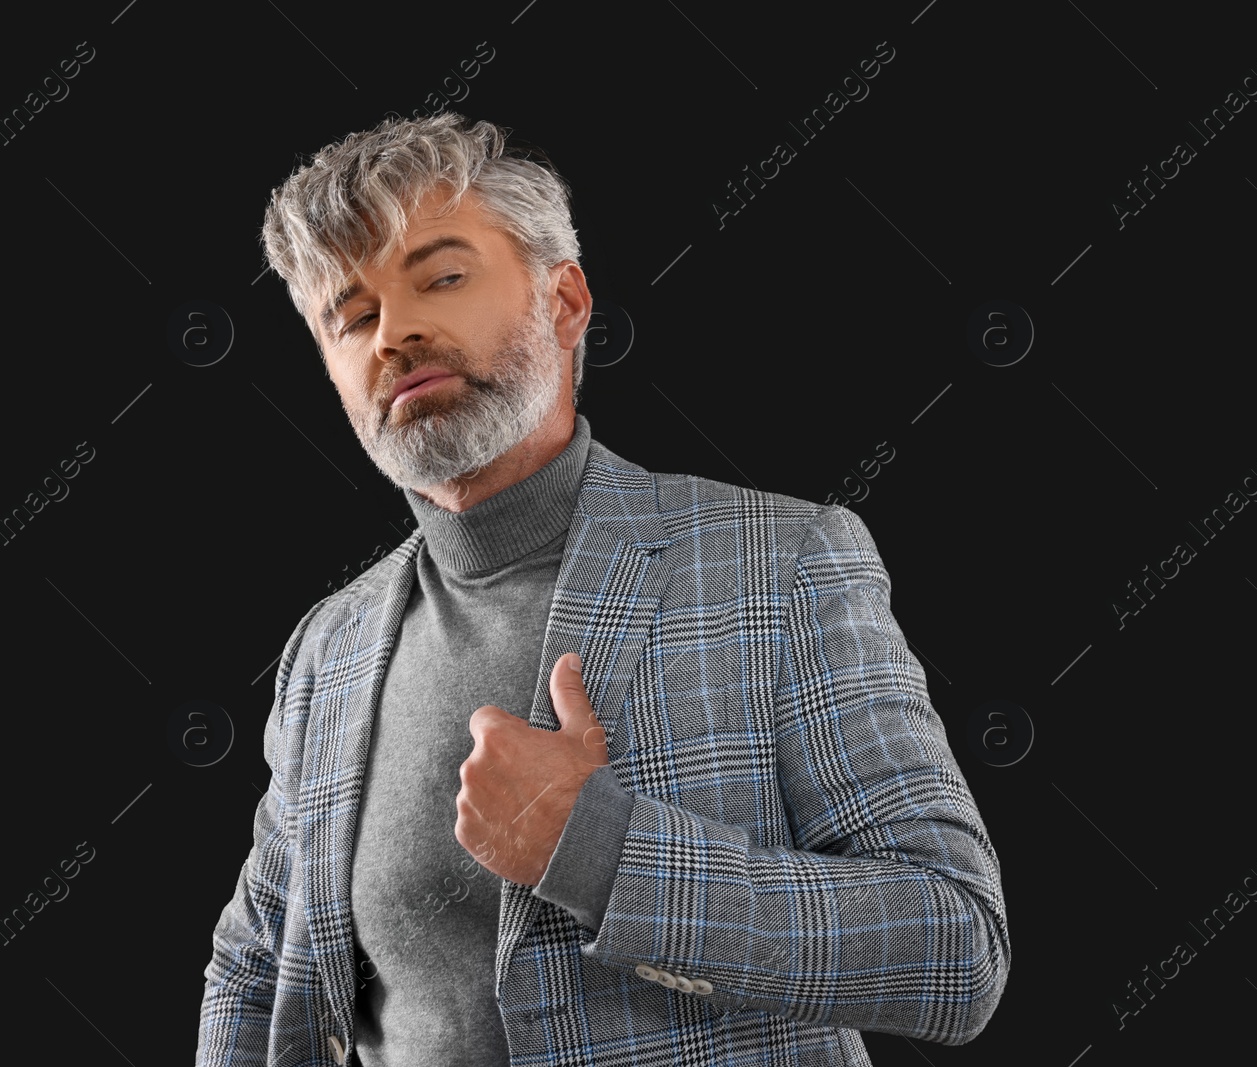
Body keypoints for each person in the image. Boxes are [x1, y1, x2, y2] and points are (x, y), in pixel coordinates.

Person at [197, 111, 1009, 1067]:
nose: (397, 332)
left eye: (442, 276)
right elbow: (255, 973)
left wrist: (598, 851)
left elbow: (955, 948)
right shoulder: (324, 651)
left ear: (567, 302)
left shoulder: (783, 561)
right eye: (354, 315)